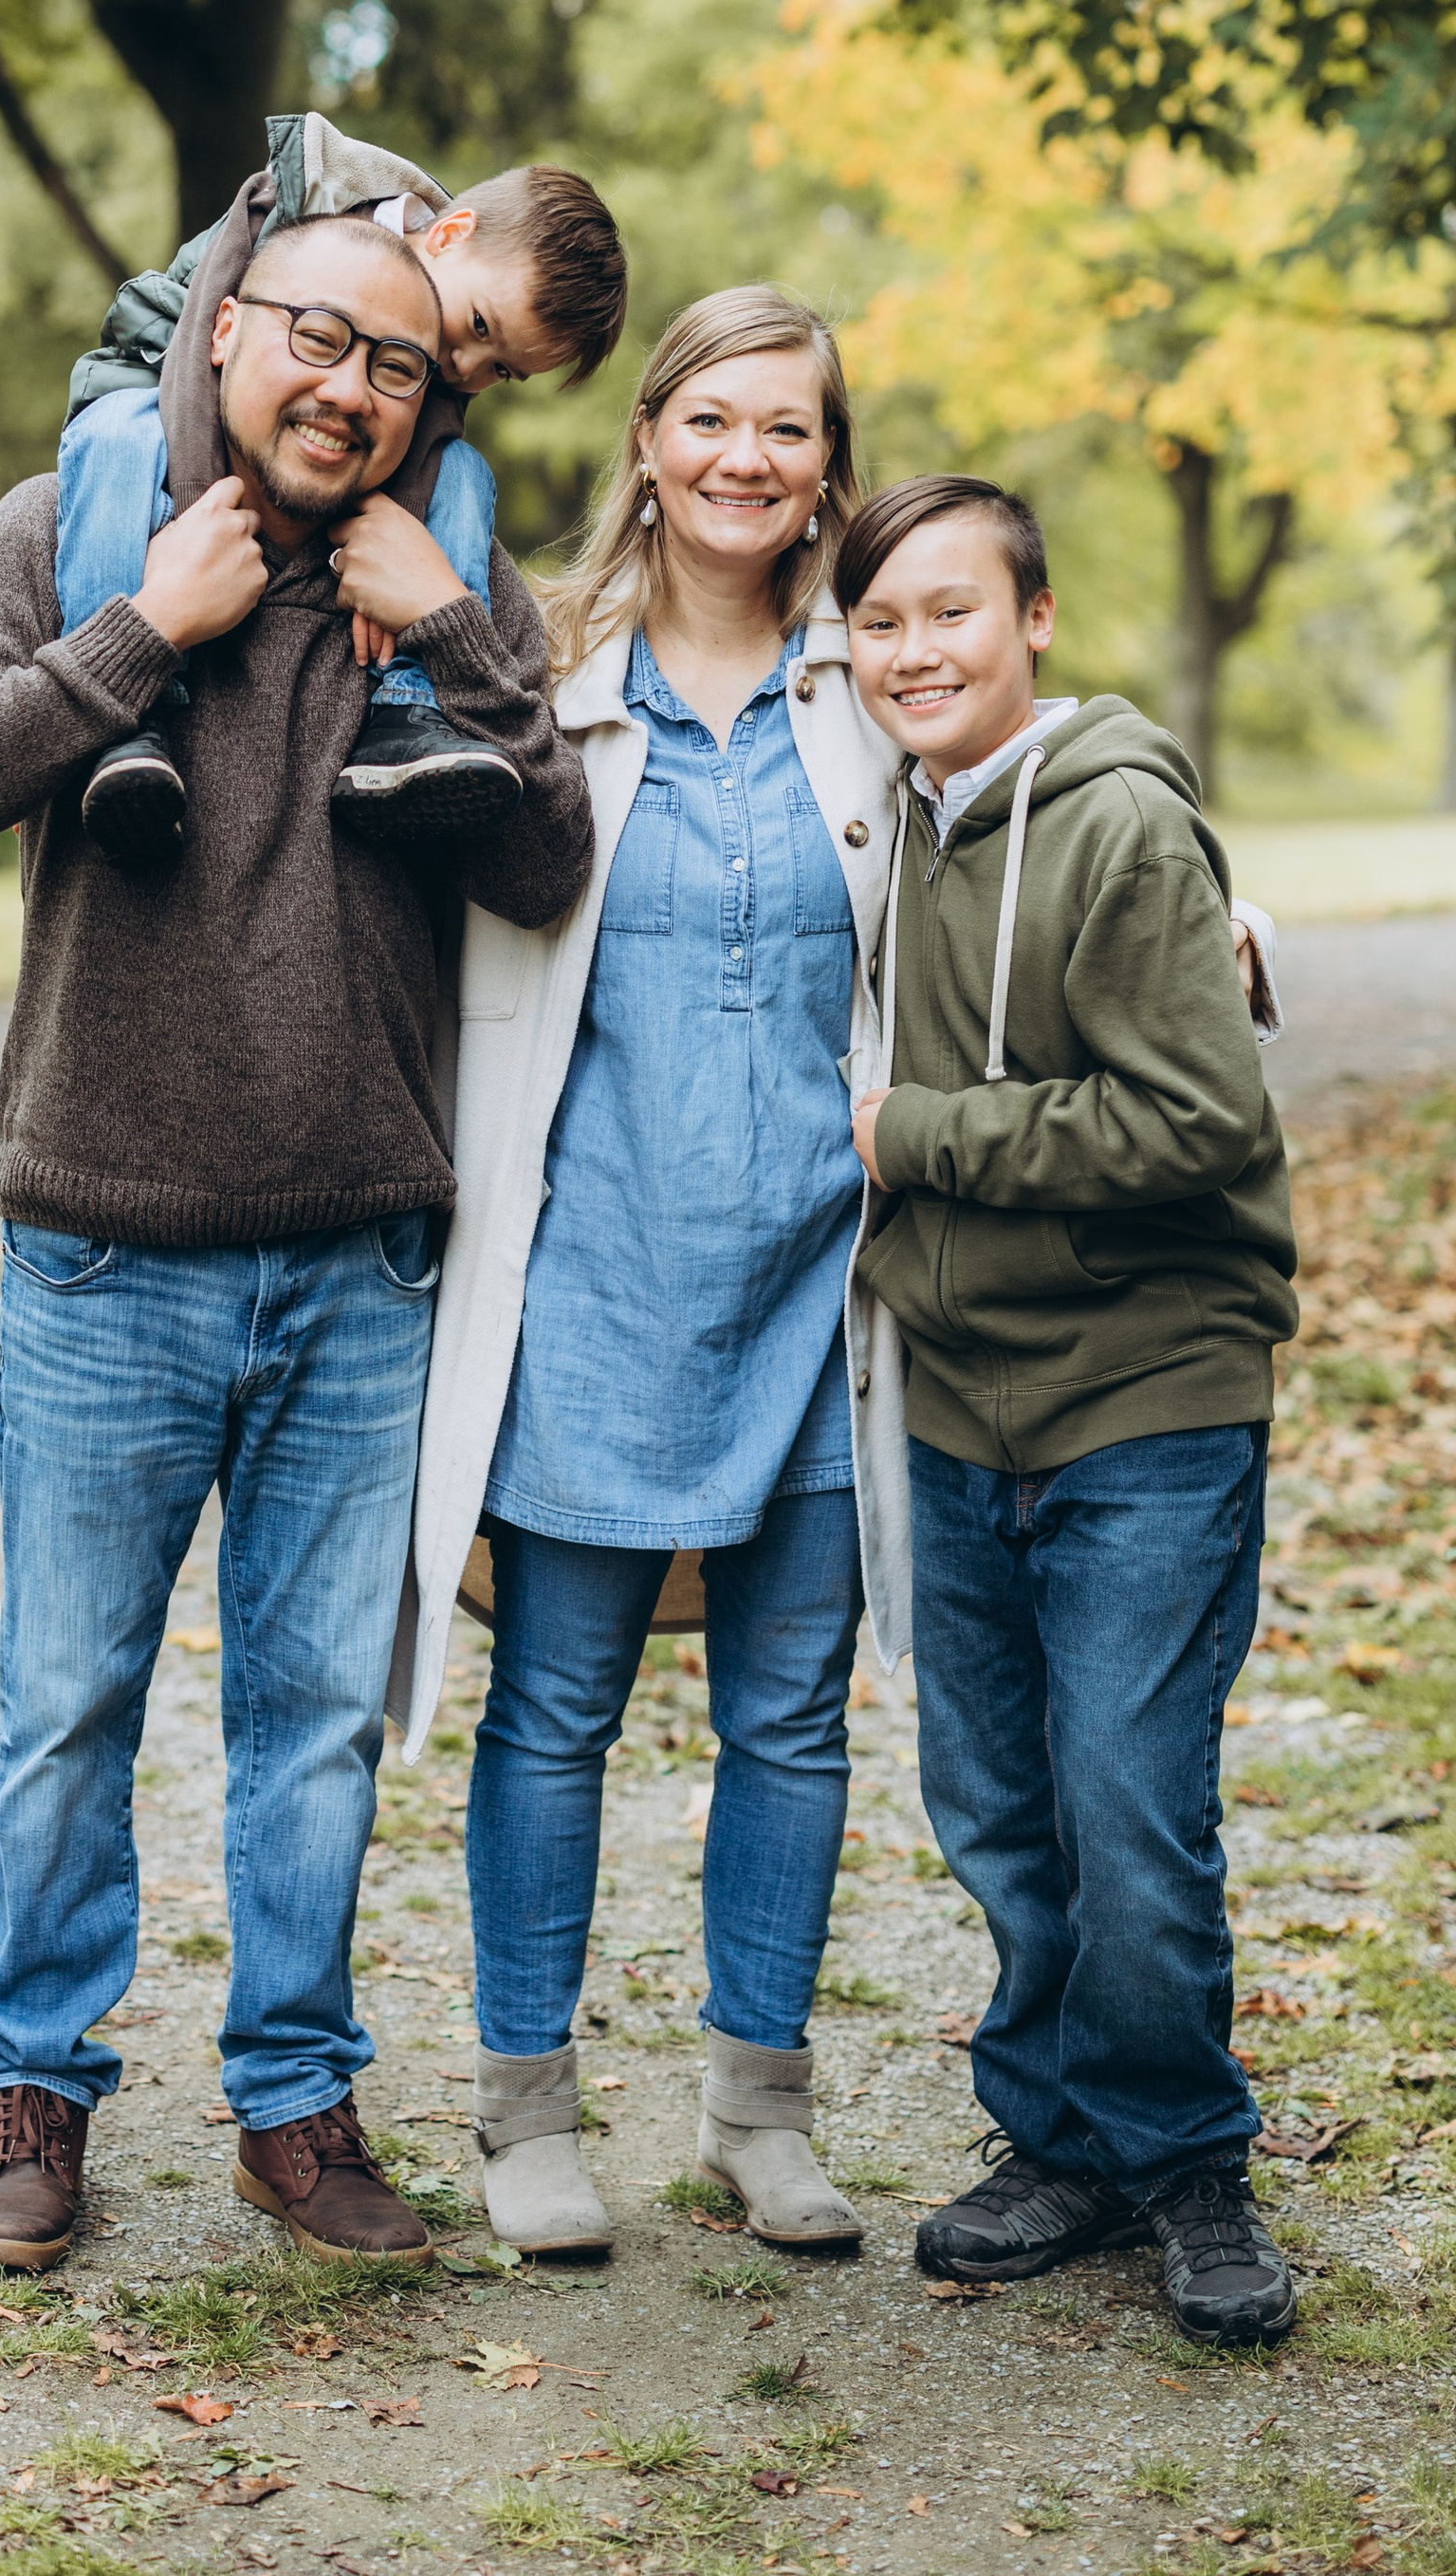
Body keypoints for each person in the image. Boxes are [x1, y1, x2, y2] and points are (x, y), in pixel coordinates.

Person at [0, 211, 594, 2274]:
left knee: (312, 1719)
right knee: (66, 1700)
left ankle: (295, 2101)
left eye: (392, 365)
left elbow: (548, 864)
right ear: (230, 331)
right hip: (105, 1243)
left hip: (361, 1255)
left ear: (426, 395)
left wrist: (454, 633)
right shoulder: (69, 519)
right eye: (315, 340)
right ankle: (33, 2094)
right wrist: (134, 635)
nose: (346, 388)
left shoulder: (445, 573)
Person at [392, 287, 914, 2260]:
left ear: (822, 467)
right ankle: (524, 2109)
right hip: (587, 1280)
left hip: (812, 1280)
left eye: (785, 428)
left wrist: (1215, 930)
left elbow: (1050, 829)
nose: (743, 459)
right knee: (553, 1708)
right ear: (645, 438)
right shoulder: (545, 672)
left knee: (790, 1716)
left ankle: (752, 2110)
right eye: (709, 417)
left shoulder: (874, 686)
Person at [838, 473, 1302, 2350]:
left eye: (950, 611)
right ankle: (1061, 2138)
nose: (913, 649)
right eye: (877, 620)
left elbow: (1204, 1118)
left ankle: (1186, 2160)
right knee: (1001, 1801)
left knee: (1126, 1797)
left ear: (1031, 620)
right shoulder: (887, 821)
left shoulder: (1109, 823)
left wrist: (912, 1137)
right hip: (958, 1392)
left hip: (1144, 1389)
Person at [59, 109, 626, 862]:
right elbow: (197, 344)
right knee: (115, 438)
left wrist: (429, 597)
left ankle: (410, 716)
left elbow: (551, 867)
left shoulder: (436, 366)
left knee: (463, 474)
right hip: (159, 377)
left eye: (501, 371)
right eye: (480, 329)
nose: (464, 370)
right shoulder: (305, 215)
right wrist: (197, 522)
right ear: (449, 233)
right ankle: (126, 722)